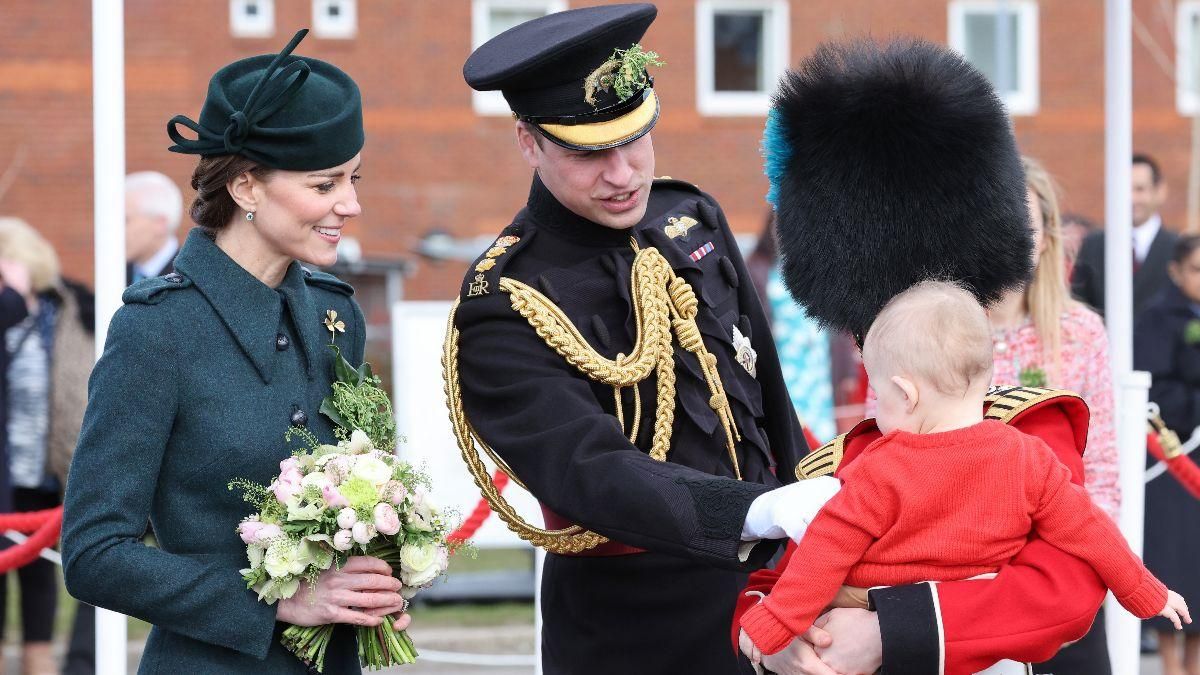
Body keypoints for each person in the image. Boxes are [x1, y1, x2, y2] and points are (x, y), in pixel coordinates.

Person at [450, 5, 841, 673]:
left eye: (634, 139)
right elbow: (593, 472)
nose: (623, 172)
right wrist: (761, 509)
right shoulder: (505, 301)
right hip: (635, 631)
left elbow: (768, 397)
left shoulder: (690, 216)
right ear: (529, 142)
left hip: (776, 598)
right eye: (588, 152)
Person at [735, 39, 1113, 675]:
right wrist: (774, 637)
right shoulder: (848, 452)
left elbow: (1064, 587)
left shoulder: (1027, 427)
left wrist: (889, 630)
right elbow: (778, 577)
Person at [61, 30, 411, 673]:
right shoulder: (158, 329)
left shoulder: (338, 312)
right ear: (247, 188)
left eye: (353, 179)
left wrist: (382, 572)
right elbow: (94, 553)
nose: (350, 204)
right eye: (324, 183)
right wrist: (273, 601)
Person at [738, 280, 1190, 665]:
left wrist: (774, 623)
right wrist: (1146, 592)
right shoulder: (1028, 455)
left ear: (905, 393)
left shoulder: (880, 465)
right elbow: (1092, 530)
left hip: (874, 615)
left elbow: (826, 550)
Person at [985, 157, 1120, 673]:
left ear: (1046, 238)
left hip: (1063, 573)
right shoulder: (926, 331)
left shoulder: (1080, 333)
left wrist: (1089, 572)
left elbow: (1103, 470)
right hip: (963, 577)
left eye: (1025, 225)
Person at [0, 218, 94, 675]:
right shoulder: (6, 313)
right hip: (5, 472)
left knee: (40, 591)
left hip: (45, 470)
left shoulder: (67, 308)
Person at [1135, 234, 1200, 675]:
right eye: (1197, 269)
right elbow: (1156, 389)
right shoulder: (1157, 318)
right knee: (1176, 558)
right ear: (1176, 271)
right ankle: (1172, 664)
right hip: (1175, 460)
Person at [1073, 153, 1180, 316]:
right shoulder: (1092, 245)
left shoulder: (1177, 248)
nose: (1132, 198)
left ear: (1159, 191)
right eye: (1124, 189)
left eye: (1140, 189)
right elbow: (1078, 302)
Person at [125, 171, 183, 284]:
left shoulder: (190, 277)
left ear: (160, 223)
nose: (114, 231)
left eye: (125, 220)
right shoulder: (114, 275)